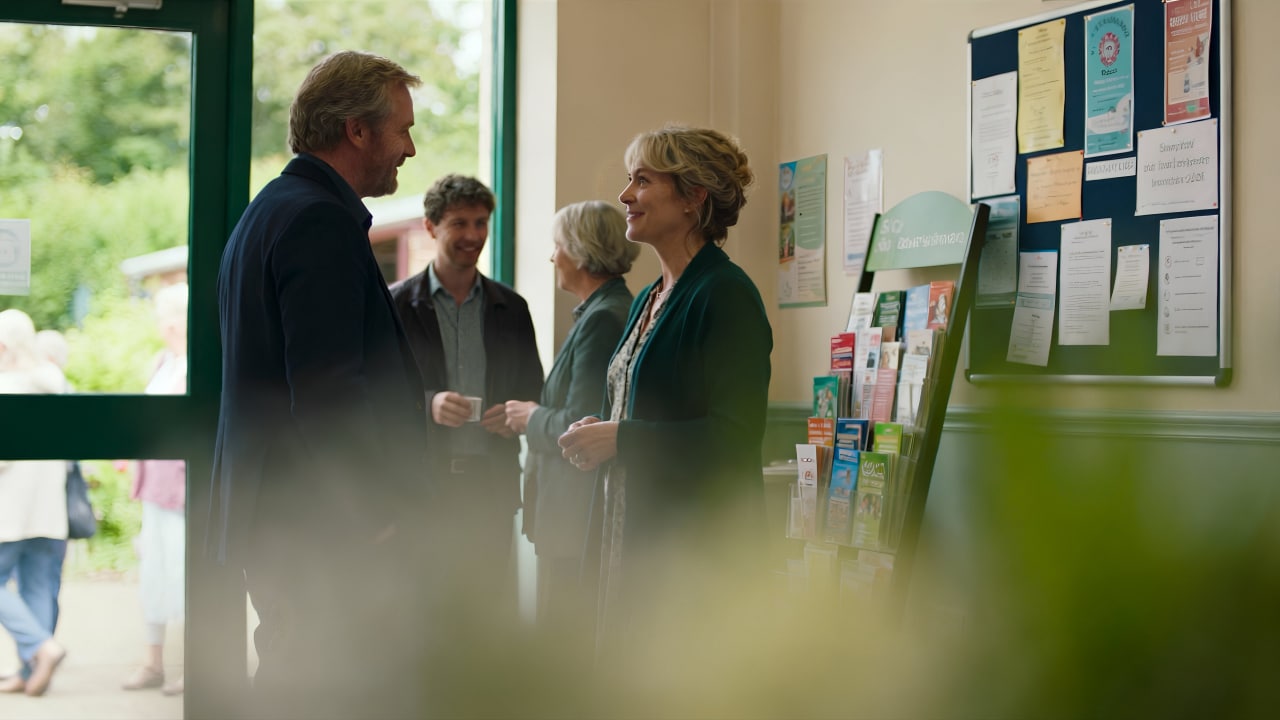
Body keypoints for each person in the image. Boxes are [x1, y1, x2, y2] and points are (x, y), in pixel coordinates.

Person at [209, 51, 431, 718]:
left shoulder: (272, 209)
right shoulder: (317, 219)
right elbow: (330, 388)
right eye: (402, 129)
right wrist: (376, 517)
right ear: (357, 130)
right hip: (320, 527)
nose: (410, 149)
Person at [557, 125, 773, 658]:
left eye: (642, 180)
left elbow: (736, 437)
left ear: (693, 196)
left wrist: (624, 438)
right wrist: (599, 431)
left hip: (691, 552)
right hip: (625, 536)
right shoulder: (648, 297)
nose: (626, 196)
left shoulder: (725, 294)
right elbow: (637, 408)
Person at [389, 174, 543, 623]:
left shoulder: (511, 308)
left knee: (484, 617)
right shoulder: (395, 306)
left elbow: (532, 389)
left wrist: (512, 415)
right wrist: (429, 403)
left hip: (489, 491)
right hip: (421, 489)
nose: (473, 236)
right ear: (431, 227)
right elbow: (376, 395)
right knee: (423, 614)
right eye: (460, 223)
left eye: (481, 222)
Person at [502, 201, 638, 654]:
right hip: (570, 512)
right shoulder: (601, 309)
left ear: (580, 252)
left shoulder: (603, 318)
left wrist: (530, 417)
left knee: (564, 644)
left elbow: (583, 424)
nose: (552, 256)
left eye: (557, 246)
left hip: (575, 513)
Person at [122, 283, 188, 696]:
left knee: (184, 575)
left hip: (183, 491)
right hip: (154, 489)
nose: (161, 324)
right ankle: (153, 661)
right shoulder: (161, 362)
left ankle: (195, 665)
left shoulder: (196, 364)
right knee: (153, 574)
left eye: (166, 316)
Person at [0, 309, 68, 697]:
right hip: (47, 511)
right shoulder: (54, 381)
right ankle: (31, 674)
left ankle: (42, 648)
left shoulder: (6, 386)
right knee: (37, 587)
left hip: (9, 512)